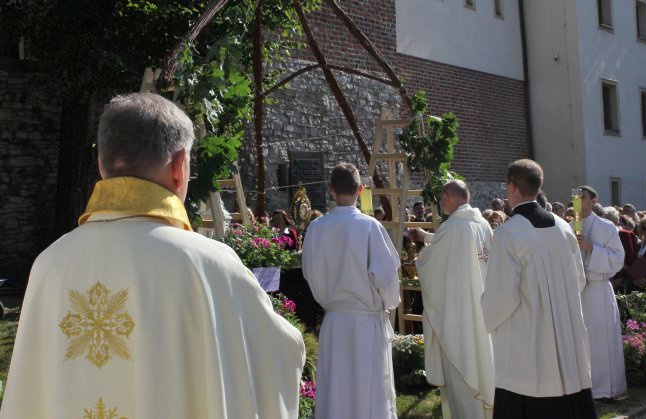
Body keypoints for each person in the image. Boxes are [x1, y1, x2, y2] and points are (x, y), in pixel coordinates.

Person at [0, 93, 305, 418]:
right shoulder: (210, 265)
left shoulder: (50, 263)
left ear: (103, 165)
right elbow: (277, 354)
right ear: (180, 167)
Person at [482, 159, 596, 419]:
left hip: (528, 346)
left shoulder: (507, 234)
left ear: (511, 186)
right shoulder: (564, 227)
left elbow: (501, 299)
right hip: (567, 344)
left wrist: (485, 308)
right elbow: (579, 280)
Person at [302, 163, 401, 419]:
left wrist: (329, 300)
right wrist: (388, 303)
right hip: (366, 321)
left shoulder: (316, 228)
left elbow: (311, 274)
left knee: (337, 390)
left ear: (331, 190)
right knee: (369, 391)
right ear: (360, 189)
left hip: (334, 321)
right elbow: (387, 276)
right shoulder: (369, 227)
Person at [415, 180, 495, 419]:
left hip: (459, 314)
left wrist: (421, 254)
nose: (441, 204)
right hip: (483, 309)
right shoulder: (482, 224)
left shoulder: (453, 228)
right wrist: (431, 237)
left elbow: (433, 263)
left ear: (449, 196)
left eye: (442, 199)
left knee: (463, 365)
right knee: (483, 361)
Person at [575, 185, 626, 401]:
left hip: (598, 288)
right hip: (578, 292)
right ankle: (584, 385)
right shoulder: (569, 226)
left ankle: (606, 389)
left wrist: (591, 248)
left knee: (601, 339)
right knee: (583, 340)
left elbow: (617, 258)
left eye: (582, 197)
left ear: (593, 201)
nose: (577, 201)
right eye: (575, 197)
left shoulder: (607, 227)